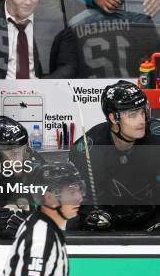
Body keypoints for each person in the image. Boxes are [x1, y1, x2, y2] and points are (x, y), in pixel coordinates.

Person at [69, 80, 160, 231]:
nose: (141, 120)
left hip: (154, 217)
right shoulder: (87, 149)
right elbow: (78, 198)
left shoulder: (157, 136)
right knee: (74, 225)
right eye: (133, 115)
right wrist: (92, 214)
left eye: (143, 112)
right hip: (109, 220)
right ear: (113, 118)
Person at [0, 162, 85, 276]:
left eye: (80, 190)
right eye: (72, 192)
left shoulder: (46, 229)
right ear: (50, 197)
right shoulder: (41, 237)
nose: (79, 197)